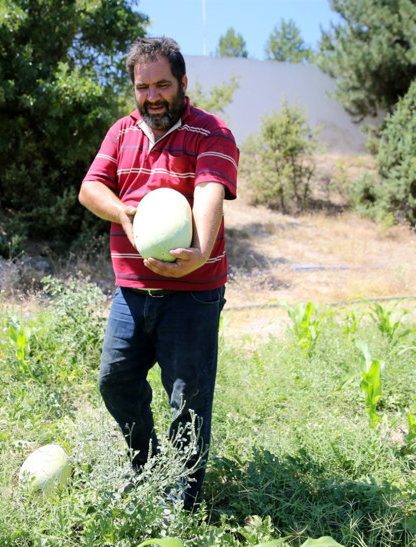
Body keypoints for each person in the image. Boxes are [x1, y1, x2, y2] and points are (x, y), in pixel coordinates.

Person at [78, 36, 238, 511]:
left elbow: (209, 190)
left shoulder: (212, 133)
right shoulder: (121, 132)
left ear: (183, 83)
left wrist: (200, 247)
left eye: (163, 84)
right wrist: (123, 214)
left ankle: (184, 500)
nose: (153, 95)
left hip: (193, 293)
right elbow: (91, 188)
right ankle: (144, 464)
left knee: (187, 401)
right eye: (143, 86)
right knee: (115, 381)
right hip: (132, 291)